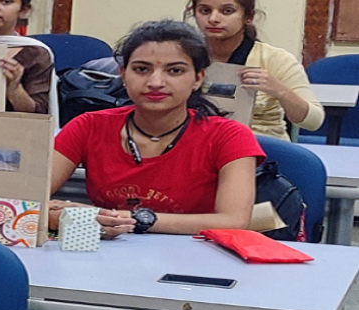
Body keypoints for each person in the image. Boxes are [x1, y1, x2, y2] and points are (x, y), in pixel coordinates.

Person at [49, 20, 262, 239]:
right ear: (123, 74)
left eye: (175, 71)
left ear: (198, 79)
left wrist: (132, 219)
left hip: (195, 252)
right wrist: (55, 216)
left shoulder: (230, 136)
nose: (156, 82)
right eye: (141, 69)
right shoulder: (88, 126)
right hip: (108, 250)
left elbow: (233, 221)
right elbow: (29, 199)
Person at [187, 0, 323, 140]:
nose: (213, 19)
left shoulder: (276, 59)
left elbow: (313, 121)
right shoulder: (184, 56)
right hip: (198, 143)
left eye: (227, 11)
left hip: (261, 144)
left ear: (248, 17)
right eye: (205, 11)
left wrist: (279, 90)